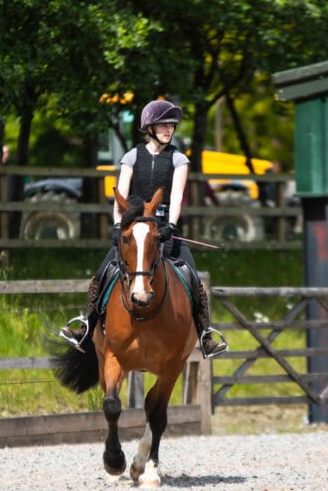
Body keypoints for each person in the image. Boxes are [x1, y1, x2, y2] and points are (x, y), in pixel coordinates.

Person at [59, 99, 228, 358]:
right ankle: (87, 325)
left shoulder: (179, 159)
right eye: (163, 125)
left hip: (163, 228)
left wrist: (171, 225)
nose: (168, 130)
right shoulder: (131, 157)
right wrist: (118, 226)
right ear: (149, 128)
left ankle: (205, 335)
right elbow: (121, 194)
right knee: (103, 272)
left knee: (193, 277)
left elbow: (178, 194)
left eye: (171, 125)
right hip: (134, 229)